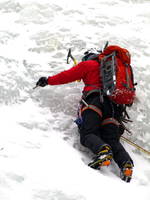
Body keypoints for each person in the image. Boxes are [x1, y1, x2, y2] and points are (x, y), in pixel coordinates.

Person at [36, 49, 134, 183]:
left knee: (88, 133)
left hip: (94, 102)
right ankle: (126, 165)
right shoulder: (116, 70)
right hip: (114, 108)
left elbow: (66, 76)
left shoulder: (89, 65)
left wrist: (47, 80)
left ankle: (103, 152)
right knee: (112, 139)